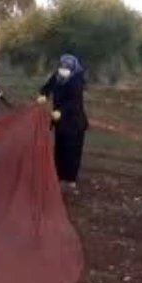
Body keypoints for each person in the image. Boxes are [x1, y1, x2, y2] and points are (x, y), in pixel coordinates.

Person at [38, 53, 89, 193]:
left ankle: (71, 180)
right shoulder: (57, 77)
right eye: (62, 67)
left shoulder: (76, 81)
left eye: (67, 68)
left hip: (74, 122)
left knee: (72, 151)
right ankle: (59, 177)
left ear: (73, 68)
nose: (63, 70)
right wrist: (43, 95)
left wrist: (61, 111)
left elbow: (74, 102)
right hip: (60, 122)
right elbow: (46, 87)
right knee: (60, 149)